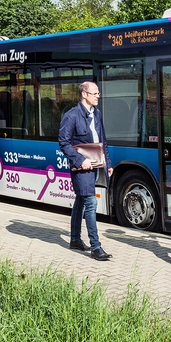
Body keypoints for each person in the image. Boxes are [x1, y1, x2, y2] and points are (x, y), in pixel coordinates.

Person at [58, 81, 114, 261]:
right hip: (81, 168)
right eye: (95, 93)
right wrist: (80, 160)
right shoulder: (72, 116)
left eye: (98, 93)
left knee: (80, 201)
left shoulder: (97, 114)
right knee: (90, 203)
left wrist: (108, 163)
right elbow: (64, 142)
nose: (98, 96)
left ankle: (75, 239)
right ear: (84, 94)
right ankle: (96, 247)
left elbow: (102, 141)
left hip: (96, 165)